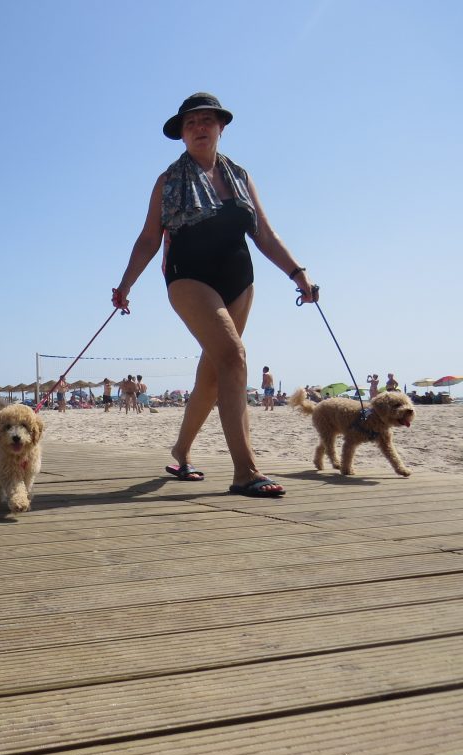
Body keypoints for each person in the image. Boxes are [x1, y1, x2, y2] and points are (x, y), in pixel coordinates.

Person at [111, 92, 316, 497]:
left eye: (207, 120)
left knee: (212, 374)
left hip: (239, 280)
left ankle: (181, 451)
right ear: (182, 134)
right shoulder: (168, 181)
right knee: (234, 356)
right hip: (188, 277)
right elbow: (149, 238)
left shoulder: (240, 176)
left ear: (221, 127)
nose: (199, 127)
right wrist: (126, 284)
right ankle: (245, 472)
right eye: (191, 123)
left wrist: (298, 273)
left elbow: (263, 233)